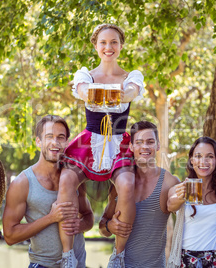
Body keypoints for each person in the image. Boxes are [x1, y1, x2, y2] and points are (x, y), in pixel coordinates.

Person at [57, 24, 144, 267]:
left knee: (127, 183)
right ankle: (67, 255)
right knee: (66, 180)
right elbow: (84, 91)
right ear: (95, 46)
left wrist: (106, 94)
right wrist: (104, 93)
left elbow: (129, 94)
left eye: (114, 42)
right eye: (103, 43)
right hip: (89, 139)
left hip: (118, 139)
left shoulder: (132, 76)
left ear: (121, 46)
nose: (109, 47)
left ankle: (118, 255)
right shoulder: (84, 75)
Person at [3, 115, 94, 268]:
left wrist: (79, 226)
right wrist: (51, 218)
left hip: (78, 264)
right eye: (49, 137)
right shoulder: (22, 183)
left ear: (67, 142)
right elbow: (10, 236)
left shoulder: (74, 177)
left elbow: (88, 217)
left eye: (61, 137)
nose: (55, 142)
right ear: (38, 141)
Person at [99, 121, 180, 268]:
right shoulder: (121, 182)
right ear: (131, 146)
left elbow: (187, 222)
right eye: (139, 142)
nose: (145, 147)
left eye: (150, 142)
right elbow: (102, 228)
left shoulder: (170, 182)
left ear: (158, 145)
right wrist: (110, 226)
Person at [167, 137, 216, 268]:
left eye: (210, 156)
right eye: (198, 156)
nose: (203, 161)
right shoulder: (180, 188)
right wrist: (181, 196)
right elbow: (170, 205)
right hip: (185, 260)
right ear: (192, 160)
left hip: (215, 260)